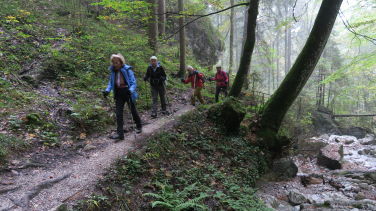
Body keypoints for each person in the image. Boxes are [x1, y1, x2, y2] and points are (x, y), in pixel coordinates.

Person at [102, 53, 142, 141]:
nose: (115, 64)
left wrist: (130, 90)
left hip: (127, 92)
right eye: (113, 62)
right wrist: (107, 91)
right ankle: (120, 134)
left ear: (121, 62)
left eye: (117, 62)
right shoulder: (113, 71)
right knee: (119, 113)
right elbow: (111, 83)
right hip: (118, 93)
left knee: (133, 110)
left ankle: (139, 126)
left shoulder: (127, 70)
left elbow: (133, 82)